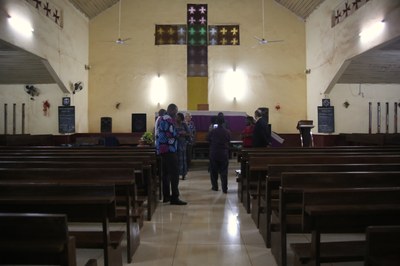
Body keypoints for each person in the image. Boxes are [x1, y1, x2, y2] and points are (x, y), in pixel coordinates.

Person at [155, 103, 187, 205]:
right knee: (175, 173)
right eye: (176, 111)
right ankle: (174, 198)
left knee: (166, 174)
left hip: (163, 150)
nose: (176, 114)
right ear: (172, 110)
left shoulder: (161, 118)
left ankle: (166, 197)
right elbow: (171, 134)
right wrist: (181, 134)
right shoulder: (168, 120)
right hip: (169, 149)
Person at [207, 114, 231, 193]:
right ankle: (224, 188)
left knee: (213, 171)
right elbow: (228, 141)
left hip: (214, 152)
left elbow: (207, 139)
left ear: (216, 122)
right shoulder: (227, 131)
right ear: (224, 122)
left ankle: (215, 187)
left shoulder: (213, 131)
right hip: (223, 153)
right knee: (224, 171)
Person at [176, 112, 190, 180]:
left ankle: (183, 174)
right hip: (175, 143)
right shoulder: (174, 124)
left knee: (183, 159)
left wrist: (183, 133)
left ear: (181, 118)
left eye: (178, 117)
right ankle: (177, 174)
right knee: (176, 159)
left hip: (182, 143)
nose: (176, 118)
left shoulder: (184, 124)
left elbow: (189, 133)